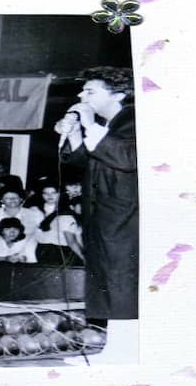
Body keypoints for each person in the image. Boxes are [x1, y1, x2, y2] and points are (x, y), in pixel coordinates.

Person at [57, 66, 138, 321]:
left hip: (126, 222)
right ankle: (113, 343)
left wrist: (90, 125)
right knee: (105, 282)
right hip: (103, 221)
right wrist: (75, 133)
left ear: (117, 95)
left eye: (90, 91)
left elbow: (128, 159)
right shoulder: (110, 125)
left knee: (122, 282)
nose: (81, 96)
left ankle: (125, 347)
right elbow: (89, 160)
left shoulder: (137, 120)